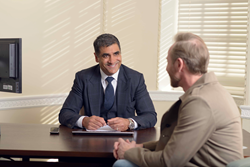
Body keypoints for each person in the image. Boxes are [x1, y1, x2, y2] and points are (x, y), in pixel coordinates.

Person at [113, 32, 243, 167]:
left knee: (122, 164)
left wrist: (128, 152)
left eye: (168, 62)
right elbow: (178, 143)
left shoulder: (199, 102)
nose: (167, 68)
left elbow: (168, 162)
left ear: (179, 64)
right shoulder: (212, 91)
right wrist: (139, 146)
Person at [59, 33, 157, 131]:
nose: (112, 61)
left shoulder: (136, 79)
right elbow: (65, 114)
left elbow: (150, 116)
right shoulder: (83, 78)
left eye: (116, 54)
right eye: (106, 55)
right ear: (96, 58)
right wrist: (84, 121)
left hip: (124, 140)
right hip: (92, 141)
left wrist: (129, 123)